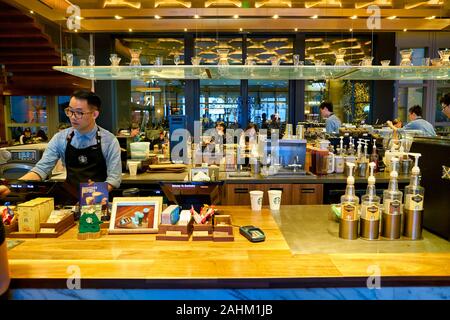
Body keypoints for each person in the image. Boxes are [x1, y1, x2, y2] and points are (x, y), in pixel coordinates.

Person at [16, 90, 122, 193]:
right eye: (70, 111)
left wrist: (90, 196)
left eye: (79, 113)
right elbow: (41, 169)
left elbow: (113, 179)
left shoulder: (109, 140)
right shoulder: (60, 138)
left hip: (98, 201)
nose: (72, 117)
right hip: (69, 200)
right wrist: (16, 185)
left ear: (94, 114)